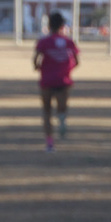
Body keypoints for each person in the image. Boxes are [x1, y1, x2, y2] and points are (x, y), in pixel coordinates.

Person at [33, 11, 79, 151]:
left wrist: (37, 67)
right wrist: (67, 69)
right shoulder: (69, 42)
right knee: (62, 108)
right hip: (63, 81)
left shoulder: (43, 41)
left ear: (49, 25)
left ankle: (49, 143)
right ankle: (62, 119)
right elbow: (76, 61)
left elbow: (36, 59)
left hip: (47, 81)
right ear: (62, 25)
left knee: (47, 112)